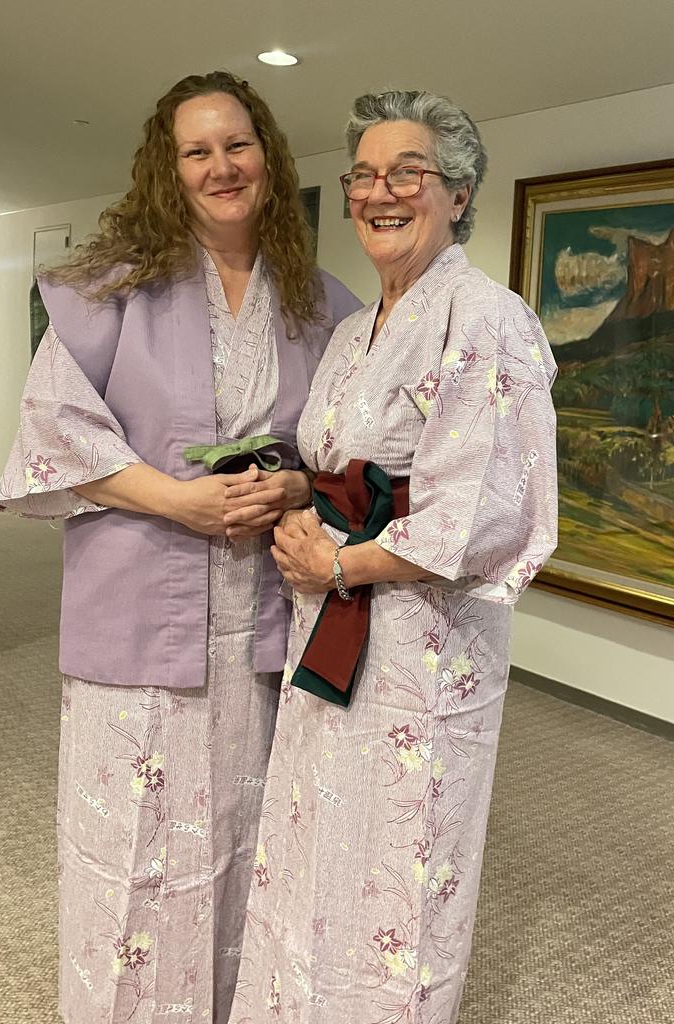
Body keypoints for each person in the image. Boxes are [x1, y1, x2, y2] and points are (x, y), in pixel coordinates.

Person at [0, 71, 360, 1024]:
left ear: (268, 159)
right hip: (139, 606)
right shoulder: (110, 289)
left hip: (262, 620)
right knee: (135, 848)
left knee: (243, 837)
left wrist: (290, 485)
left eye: (237, 145)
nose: (221, 166)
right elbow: (57, 439)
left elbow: (348, 459)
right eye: (197, 151)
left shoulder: (322, 303)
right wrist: (182, 503)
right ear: (169, 169)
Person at [227, 90, 558, 1023]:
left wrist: (338, 564)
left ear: (457, 194)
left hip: (423, 648)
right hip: (327, 628)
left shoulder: (486, 320)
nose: (382, 191)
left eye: (407, 172)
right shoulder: (349, 333)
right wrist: (298, 497)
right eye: (364, 175)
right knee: (316, 840)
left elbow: (480, 511)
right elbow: (345, 468)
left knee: (399, 874)